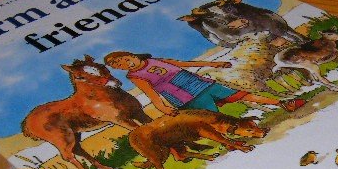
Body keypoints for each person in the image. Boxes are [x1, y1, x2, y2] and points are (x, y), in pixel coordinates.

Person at [104, 51, 305, 116]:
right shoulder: (134, 76)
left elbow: (184, 64)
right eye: (118, 65)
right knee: (214, 116)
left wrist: (213, 63)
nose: (124, 64)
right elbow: (152, 94)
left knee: (240, 95)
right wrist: (164, 109)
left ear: (131, 55)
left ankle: (283, 103)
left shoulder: (155, 59)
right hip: (184, 95)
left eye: (123, 59)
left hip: (198, 82)